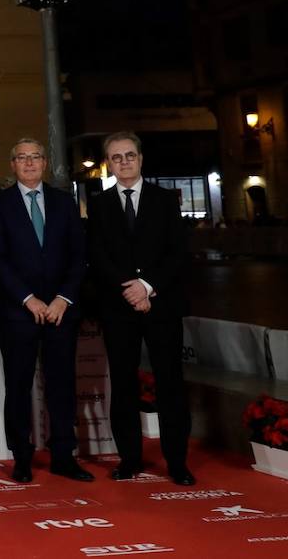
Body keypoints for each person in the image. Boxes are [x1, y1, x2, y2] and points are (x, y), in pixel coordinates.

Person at [88, 131, 194, 486]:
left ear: (141, 158)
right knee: (123, 383)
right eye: (116, 157)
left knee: (171, 384)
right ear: (109, 163)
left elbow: (178, 251)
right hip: (118, 308)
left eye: (129, 155)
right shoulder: (99, 204)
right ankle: (129, 459)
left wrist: (147, 286)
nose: (124, 162)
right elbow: (98, 255)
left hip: (161, 304)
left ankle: (177, 462)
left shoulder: (165, 200)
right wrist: (130, 289)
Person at [0, 139, 92, 484]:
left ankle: (64, 455)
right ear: (12, 164)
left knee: (61, 383)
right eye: (21, 158)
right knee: (18, 384)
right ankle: (22, 456)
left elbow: (79, 257)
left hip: (62, 310)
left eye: (35, 157)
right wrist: (28, 298)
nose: (29, 163)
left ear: (45, 163)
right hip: (20, 311)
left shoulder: (64, 203)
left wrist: (63, 298)